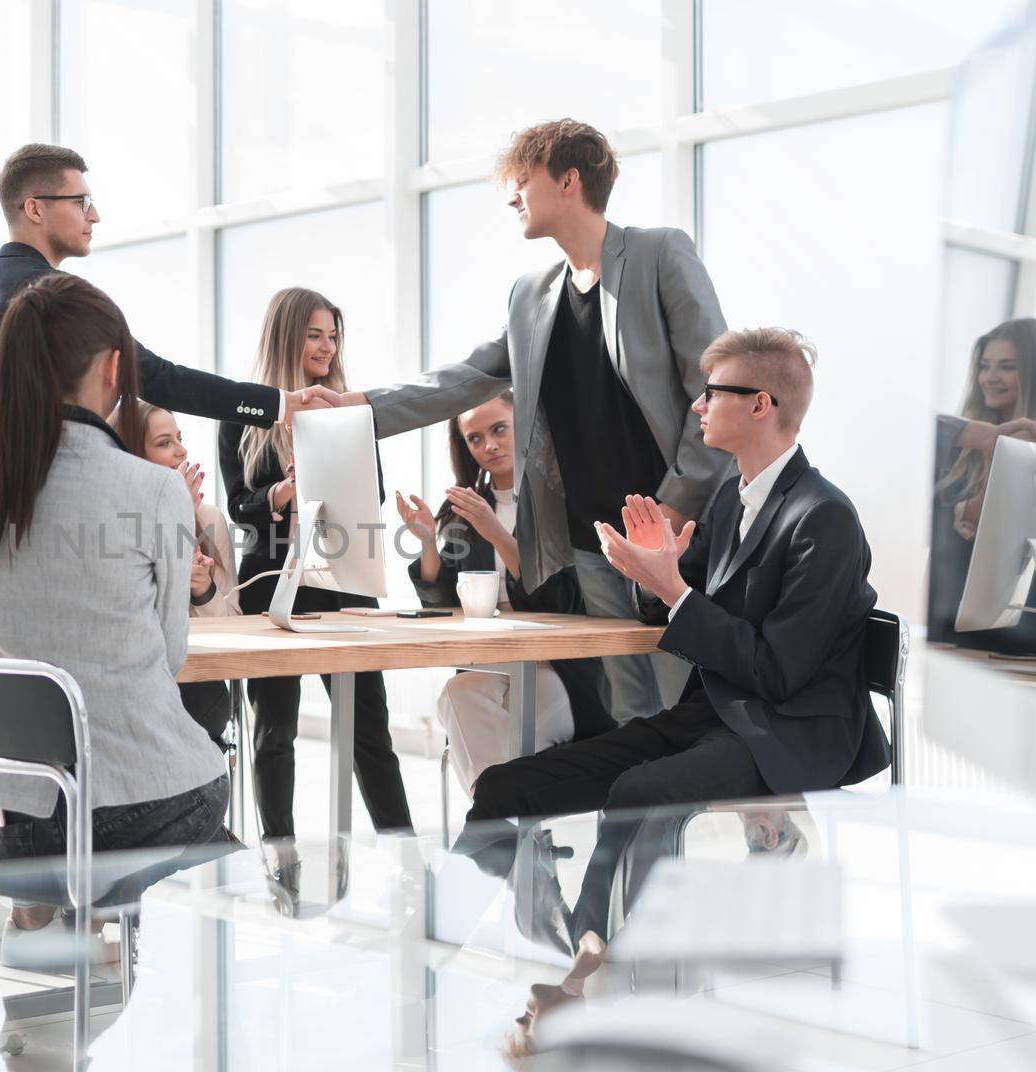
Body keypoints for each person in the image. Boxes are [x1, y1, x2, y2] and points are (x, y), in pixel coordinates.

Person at [453, 327, 891, 952]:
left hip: (786, 730)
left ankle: (597, 963)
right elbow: (676, 607)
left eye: (712, 392)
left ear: (760, 404)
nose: (698, 405)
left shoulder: (823, 517)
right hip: (707, 716)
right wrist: (655, 576)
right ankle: (435, 955)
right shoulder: (729, 501)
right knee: (503, 786)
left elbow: (779, 672)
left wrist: (678, 593)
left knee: (640, 792)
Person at [314, 119, 729, 724]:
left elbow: (713, 391)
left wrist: (672, 509)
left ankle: (715, 818)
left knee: (689, 703)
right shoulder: (531, 293)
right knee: (630, 714)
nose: (511, 198)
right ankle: (642, 822)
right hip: (594, 546)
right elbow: (465, 379)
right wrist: (364, 405)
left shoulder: (658, 254)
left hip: (672, 538)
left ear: (567, 181)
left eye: (521, 181)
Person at [0, 273, 232, 950]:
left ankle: (46, 930)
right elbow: (171, 653)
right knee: (203, 795)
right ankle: (97, 931)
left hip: (11, 809)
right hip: (140, 806)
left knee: (71, 871)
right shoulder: (157, 490)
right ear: (110, 369)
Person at [217, 287, 413, 852]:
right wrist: (284, 491)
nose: (327, 346)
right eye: (314, 335)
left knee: (368, 732)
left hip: (344, 578)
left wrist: (328, 480)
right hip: (272, 587)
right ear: (286, 336)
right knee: (273, 732)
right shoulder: (244, 415)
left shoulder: (351, 410)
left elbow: (371, 494)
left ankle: (403, 852)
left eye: (333, 335)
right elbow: (238, 506)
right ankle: (282, 859)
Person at [0, 143, 323, 428]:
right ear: (35, 209)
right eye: (81, 201)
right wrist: (279, 405)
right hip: (47, 496)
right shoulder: (56, 295)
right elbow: (156, 378)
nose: (95, 215)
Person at [394, 391, 614, 796]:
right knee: (457, 694)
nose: (488, 446)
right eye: (474, 439)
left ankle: (499, 831)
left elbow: (561, 600)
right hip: (490, 663)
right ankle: (518, 840)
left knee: (502, 744)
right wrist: (427, 543)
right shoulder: (465, 508)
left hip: (556, 665)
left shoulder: (560, 500)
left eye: (499, 430)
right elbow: (442, 603)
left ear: (524, 426)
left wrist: (495, 530)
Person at [115, 404, 241, 747]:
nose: (182, 450)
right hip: (134, 686)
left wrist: (204, 592)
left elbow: (233, 623)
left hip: (196, 683)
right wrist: (174, 517)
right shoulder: (115, 522)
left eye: (180, 438)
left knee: (209, 708)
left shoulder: (211, 519)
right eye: (164, 442)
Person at [929, 318, 1036, 649]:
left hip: (1018, 634)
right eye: (984, 366)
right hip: (949, 623)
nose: (990, 377)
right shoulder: (959, 447)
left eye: (1006, 367)